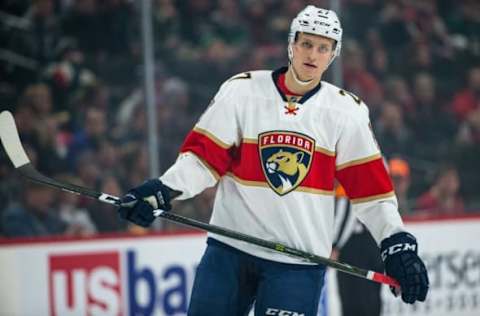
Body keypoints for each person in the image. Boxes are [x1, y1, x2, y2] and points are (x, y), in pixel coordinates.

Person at [118, 5, 429, 315]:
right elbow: (202, 159)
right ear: (291, 44)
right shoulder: (241, 91)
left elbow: (372, 195)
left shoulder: (346, 113)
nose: (313, 54)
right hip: (230, 251)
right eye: (306, 43)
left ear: (334, 54)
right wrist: (162, 190)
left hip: (298, 263)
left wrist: (396, 243)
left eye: (323, 48)